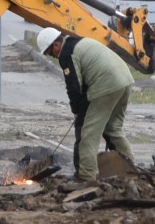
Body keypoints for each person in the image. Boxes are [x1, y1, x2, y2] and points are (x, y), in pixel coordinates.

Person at [37, 27, 135, 183]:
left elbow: (74, 87)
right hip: (125, 80)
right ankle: (132, 171)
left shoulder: (66, 54)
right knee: (113, 128)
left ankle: (86, 176)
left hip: (107, 84)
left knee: (88, 132)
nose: (52, 56)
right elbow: (84, 80)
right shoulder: (79, 42)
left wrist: (77, 112)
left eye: (50, 52)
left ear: (56, 44)